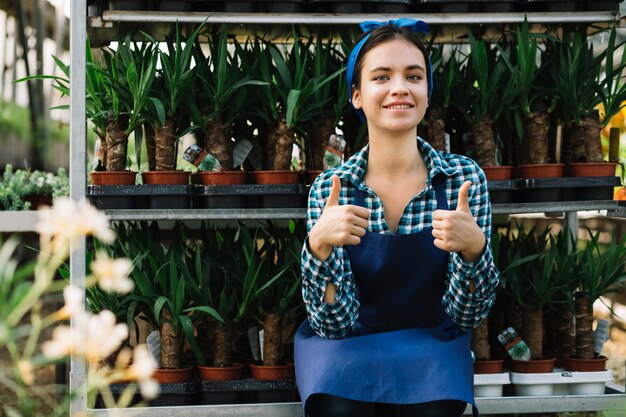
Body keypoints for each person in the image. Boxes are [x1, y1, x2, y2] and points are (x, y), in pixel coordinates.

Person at [294, 18, 500, 417]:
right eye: (381, 77)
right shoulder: (331, 189)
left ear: (427, 93)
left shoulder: (463, 179)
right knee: (337, 408)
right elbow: (333, 326)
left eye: (414, 76)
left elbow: (466, 316)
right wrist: (318, 249)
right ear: (357, 95)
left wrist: (475, 251)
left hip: (430, 345)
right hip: (347, 345)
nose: (400, 88)